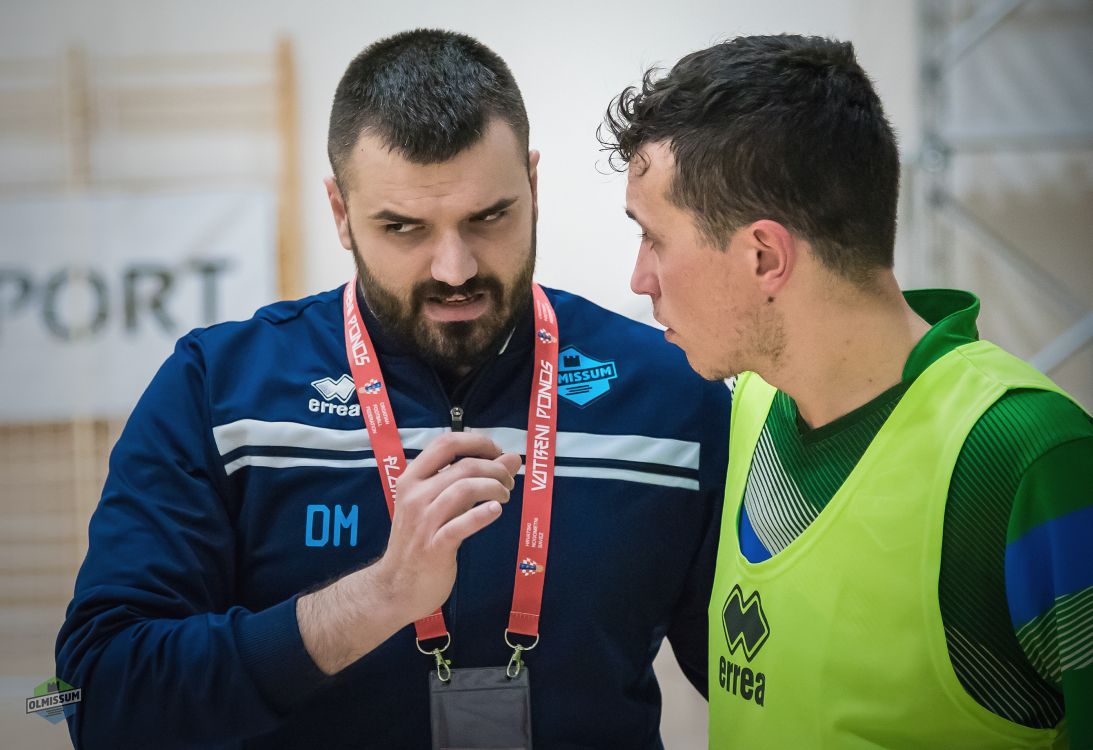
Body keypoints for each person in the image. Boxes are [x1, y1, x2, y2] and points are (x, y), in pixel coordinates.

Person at [55, 29, 730, 749]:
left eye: (488, 217)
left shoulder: (672, 392)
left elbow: (756, 681)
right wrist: (377, 598)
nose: (453, 268)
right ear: (340, 213)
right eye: (403, 227)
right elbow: (89, 697)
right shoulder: (219, 391)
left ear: (533, 188)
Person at [602, 34, 1092, 750]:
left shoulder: (1027, 460)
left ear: (763, 256)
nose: (639, 279)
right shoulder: (752, 405)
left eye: (654, 239)